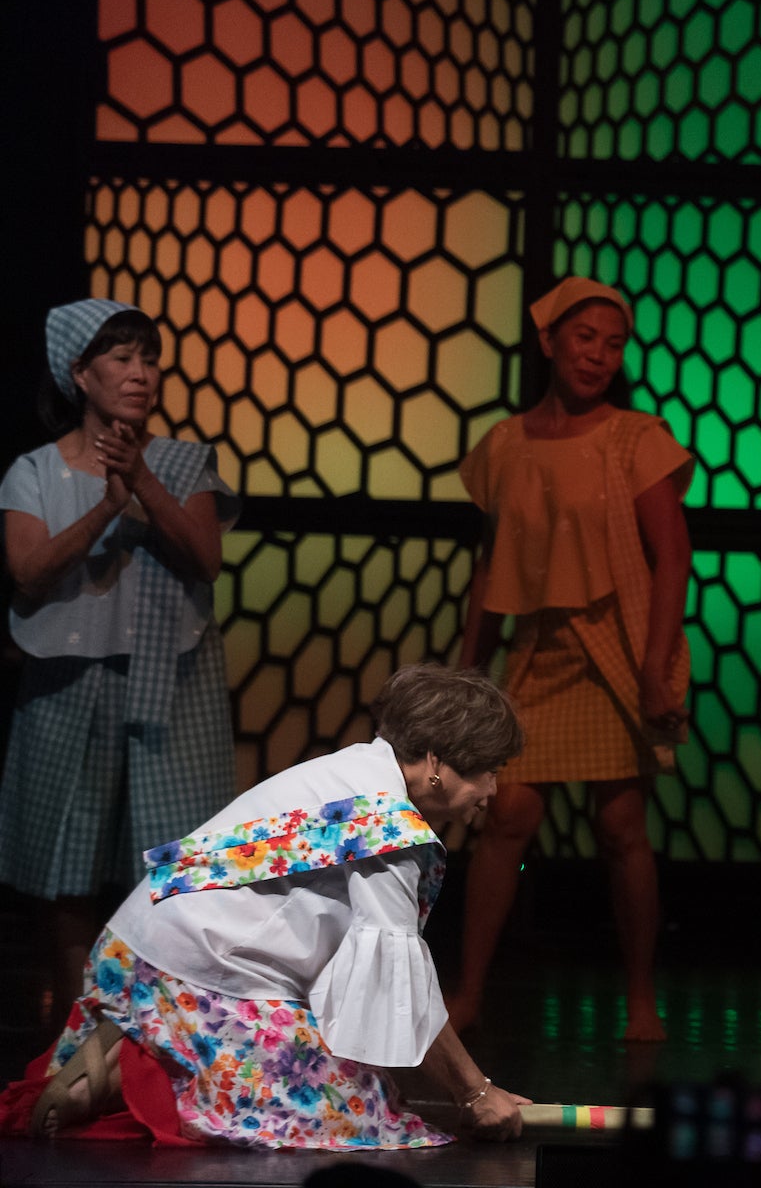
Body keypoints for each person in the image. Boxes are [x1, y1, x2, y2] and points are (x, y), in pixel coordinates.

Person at [1, 664, 528, 1150]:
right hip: (193, 972)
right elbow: (399, 984)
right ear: (436, 761)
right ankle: (140, 1067)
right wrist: (475, 1093)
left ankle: (143, 1046)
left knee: (365, 1080)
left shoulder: (352, 771)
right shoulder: (387, 825)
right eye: (488, 771)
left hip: (130, 953)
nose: (492, 791)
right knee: (356, 1113)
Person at [450, 277, 694, 1042]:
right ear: (549, 340)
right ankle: (468, 991)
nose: (598, 356)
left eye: (613, 344)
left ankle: (641, 997)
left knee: (621, 824)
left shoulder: (635, 438)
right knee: (507, 815)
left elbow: (673, 556)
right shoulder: (506, 444)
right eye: (584, 338)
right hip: (541, 648)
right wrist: (469, 671)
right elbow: (493, 567)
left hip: (613, 647)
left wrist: (655, 664)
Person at [0, 299, 237, 1019]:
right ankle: (78, 1022)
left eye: (151, 359)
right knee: (68, 862)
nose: (141, 374)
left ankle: (160, 1028)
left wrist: (143, 481)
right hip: (69, 685)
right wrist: (108, 506)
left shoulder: (184, 460)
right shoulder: (35, 470)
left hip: (174, 684)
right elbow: (28, 573)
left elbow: (205, 559)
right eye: (123, 358)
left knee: (176, 864)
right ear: (81, 373)